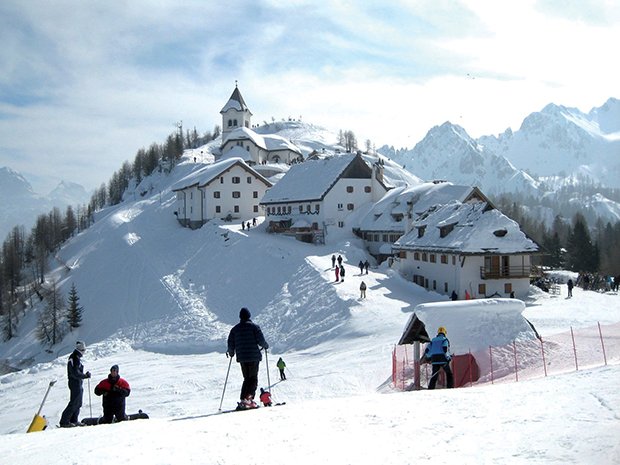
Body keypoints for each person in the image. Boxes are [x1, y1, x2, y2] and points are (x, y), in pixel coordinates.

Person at [227, 307, 269, 410]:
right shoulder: (254, 327)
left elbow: (230, 343)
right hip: (253, 356)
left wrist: (231, 352)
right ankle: (249, 400)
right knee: (253, 378)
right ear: (249, 316)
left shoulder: (234, 329)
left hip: (242, 358)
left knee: (246, 379)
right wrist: (266, 346)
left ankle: (243, 400)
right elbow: (261, 341)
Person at [59, 341, 91, 427]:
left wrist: (83, 376)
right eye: (84, 350)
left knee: (78, 402)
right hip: (75, 383)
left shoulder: (75, 357)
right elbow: (75, 373)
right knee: (74, 402)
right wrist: (85, 376)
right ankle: (64, 421)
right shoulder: (75, 357)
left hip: (77, 382)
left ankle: (74, 420)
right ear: (82, 350)